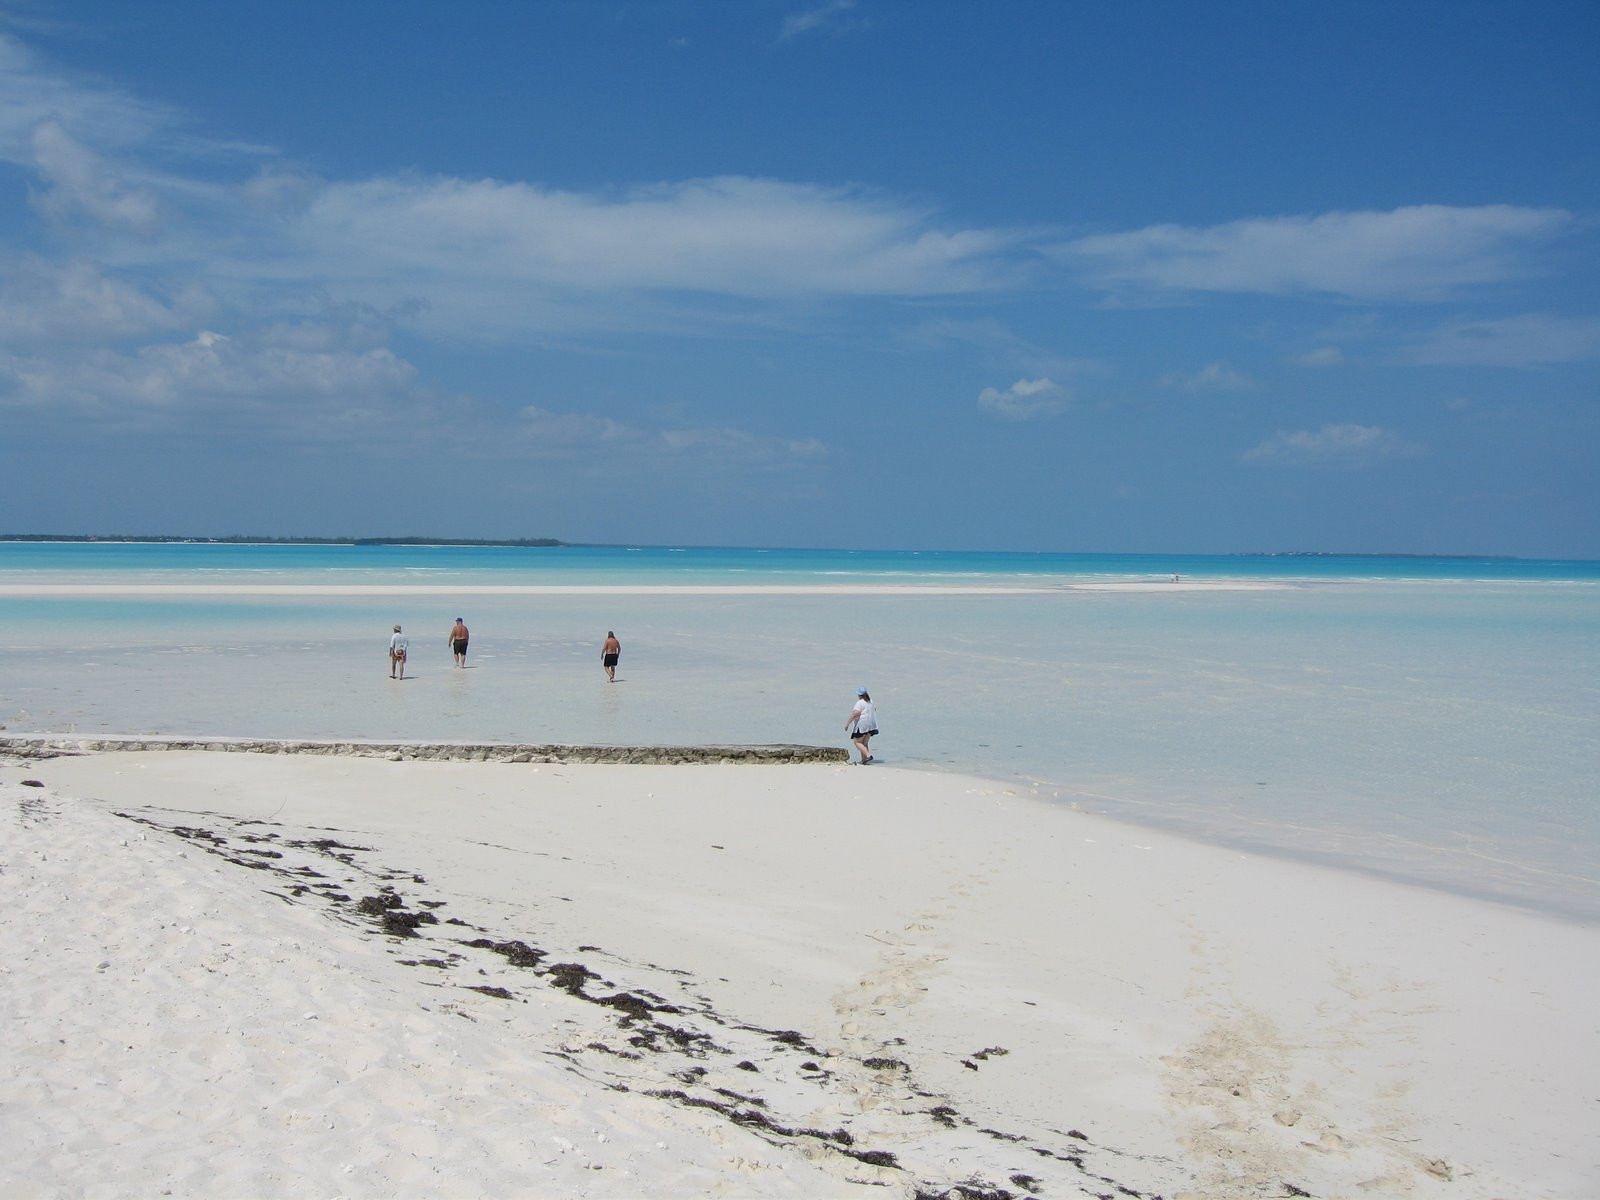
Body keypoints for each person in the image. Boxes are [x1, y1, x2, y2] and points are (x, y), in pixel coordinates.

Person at [845, 686, 878, 764]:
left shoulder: (860, 703)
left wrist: (847, 724)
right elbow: (874, 710)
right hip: (871, 724)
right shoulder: (870, 701)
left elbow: (855, 713)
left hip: (862, 725)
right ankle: (864, 761)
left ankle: (868, 755)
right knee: (864, 743)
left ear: (859, 695)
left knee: (857, 742)